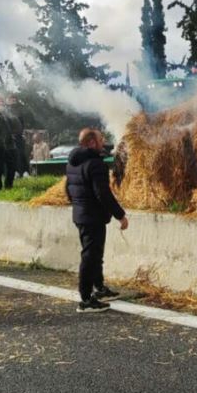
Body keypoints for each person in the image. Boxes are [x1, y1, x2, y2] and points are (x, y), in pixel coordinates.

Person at [66, 128, 128, 313]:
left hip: (81, 214)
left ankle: (99, 288)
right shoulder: (95, 164)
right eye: (101, 140)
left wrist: (78, 205)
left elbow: (68, 190)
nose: (104, 143)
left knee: (94, 254)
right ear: (92, 143)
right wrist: (120, 215)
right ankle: (85, 299)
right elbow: (103, 194)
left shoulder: (72, 163)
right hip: (92, 216)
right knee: (90, 256)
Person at [0, 94, 21, 191]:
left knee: (12, 165)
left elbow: (18, 126)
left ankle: (8, 186)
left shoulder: (8, 112)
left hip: (9, 142)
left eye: (2, 100)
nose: (0, 102)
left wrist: (11, 116)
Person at [6, 94, 31, 176]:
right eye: (11, 99)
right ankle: (16, 172)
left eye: (14, 99)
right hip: (9, 137)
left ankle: (25, 171)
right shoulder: (5, 111)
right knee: (12, 155)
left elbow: (22, 124)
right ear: (8, 100)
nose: (13, 101)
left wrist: (21, 132)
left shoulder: (19, 110)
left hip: (18, 136)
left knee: (21, 153)